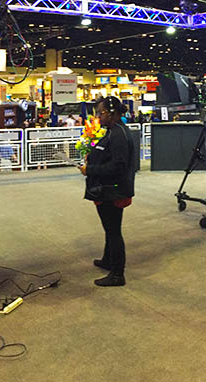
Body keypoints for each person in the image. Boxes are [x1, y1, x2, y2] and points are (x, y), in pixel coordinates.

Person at [79, 96, 136, 287]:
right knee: (109, 228)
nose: (98, 117)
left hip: (113, 191)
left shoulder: (118, 135)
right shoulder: (113, 131)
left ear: (111, 114)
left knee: (113, 231)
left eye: (100, 113)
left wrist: (90, 170)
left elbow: (118, 166)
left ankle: (117, 274)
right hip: (109, 189)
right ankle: (108, 259)